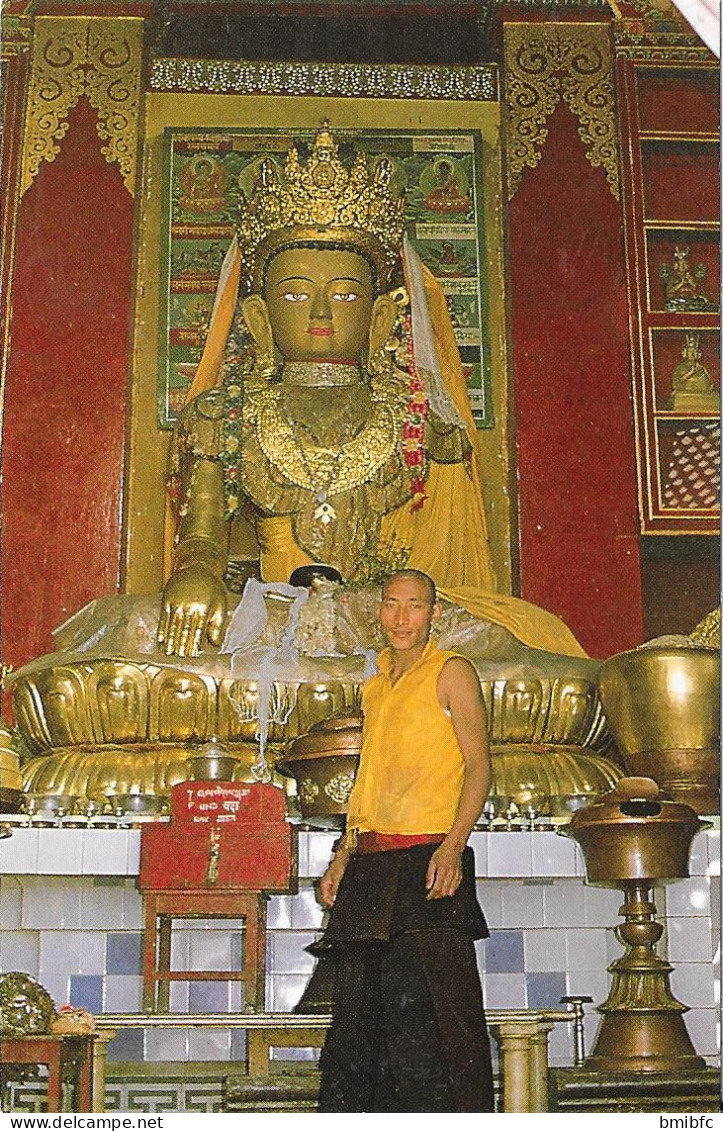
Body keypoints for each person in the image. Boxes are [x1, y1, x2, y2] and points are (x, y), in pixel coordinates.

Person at [314, 568, 495, 1113]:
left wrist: (451, 847)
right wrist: (343, 856)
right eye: (391, 605)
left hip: (427, 857)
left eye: (414, 606)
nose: (400, 617)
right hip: (371, 863)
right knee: (360, 1027)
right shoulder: (376, 684)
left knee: (433, 1026)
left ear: (433, 614)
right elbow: (367, 778)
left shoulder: (452, 672)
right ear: (379, 611)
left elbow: (480, 766)